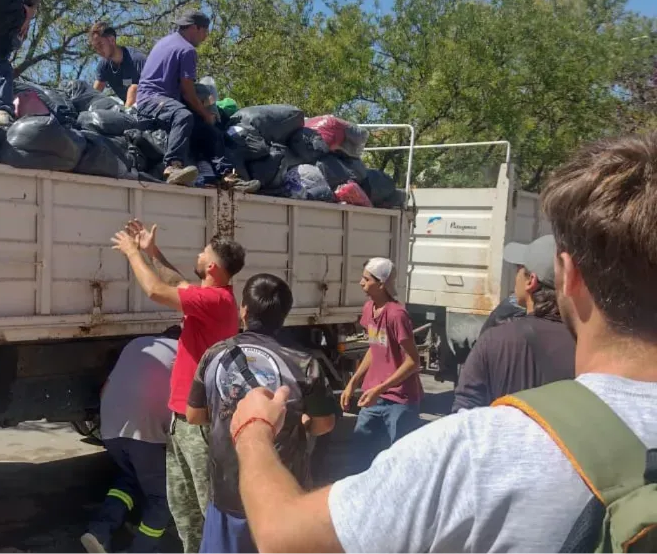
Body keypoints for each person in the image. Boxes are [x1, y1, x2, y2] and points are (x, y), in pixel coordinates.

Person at [224, 132, 657, 554]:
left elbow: (284, 537)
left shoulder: (476, 452)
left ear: (568, 275)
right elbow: (375, 349)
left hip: (394, 405)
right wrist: (358, 381)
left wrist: (253, 432)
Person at [110, 220, 246, 554]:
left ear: (211, 266)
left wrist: (132, 254)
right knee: (184, 508)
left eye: (203, 253)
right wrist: (153, 252)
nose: (198, 255)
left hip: (198, 424)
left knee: (207, 506)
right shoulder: (209, 297)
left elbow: (156, 290)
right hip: (183, 419)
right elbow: (177, 282)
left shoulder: (216, 301)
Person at [185, 273, 337, 554]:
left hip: (227, 492)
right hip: (283, 495)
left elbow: (193, 415)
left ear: (243, 310)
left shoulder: (214, 354)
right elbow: (325, 424)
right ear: (284, 316)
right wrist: (303, 423)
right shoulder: (304, 363)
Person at [81, 329, 179, 554]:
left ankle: (99, 531)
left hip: (110, 428)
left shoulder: (137, 343)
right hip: (145, 435)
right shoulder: (182, 352)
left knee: (130, 480)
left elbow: (106, 388)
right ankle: (142, 549)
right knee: (162, 497)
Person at [453, 235, 575, 412]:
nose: (515, 275)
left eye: (519, 268)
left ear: (531, 281)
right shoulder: (586, 345)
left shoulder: (494, 340)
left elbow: (465, 410)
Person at [135, 10, 254, 191]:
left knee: (210, 132)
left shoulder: (166, 41)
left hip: (165, 101)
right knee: (183, 116)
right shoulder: (187, 50)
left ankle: (227, 177)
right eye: (205, 31)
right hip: (151, 100)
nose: (206, 37)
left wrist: (205, 119)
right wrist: (206, 113)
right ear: (194, 28)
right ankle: (173, 167)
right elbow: (188, 92)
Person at [339, 257, 422, 470]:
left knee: (400, 461)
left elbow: (413, 361)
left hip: (399, 402)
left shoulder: (397, 315)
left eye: (367, 279)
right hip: (374, 397)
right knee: (359, 456)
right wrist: (353, 383)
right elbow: (375, 348)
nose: (361, 283)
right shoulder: (369, 308)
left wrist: (380, 388)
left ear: (382, 284)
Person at [89, 22, 147, 107]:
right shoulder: (104, 66)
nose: (98, 51)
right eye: (95, 48)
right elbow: (94, 95)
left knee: (133, 88)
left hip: (146, 105)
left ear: (112, 40)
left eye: (100, 45)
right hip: (126, 107)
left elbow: (154, 89)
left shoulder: (137, 59)